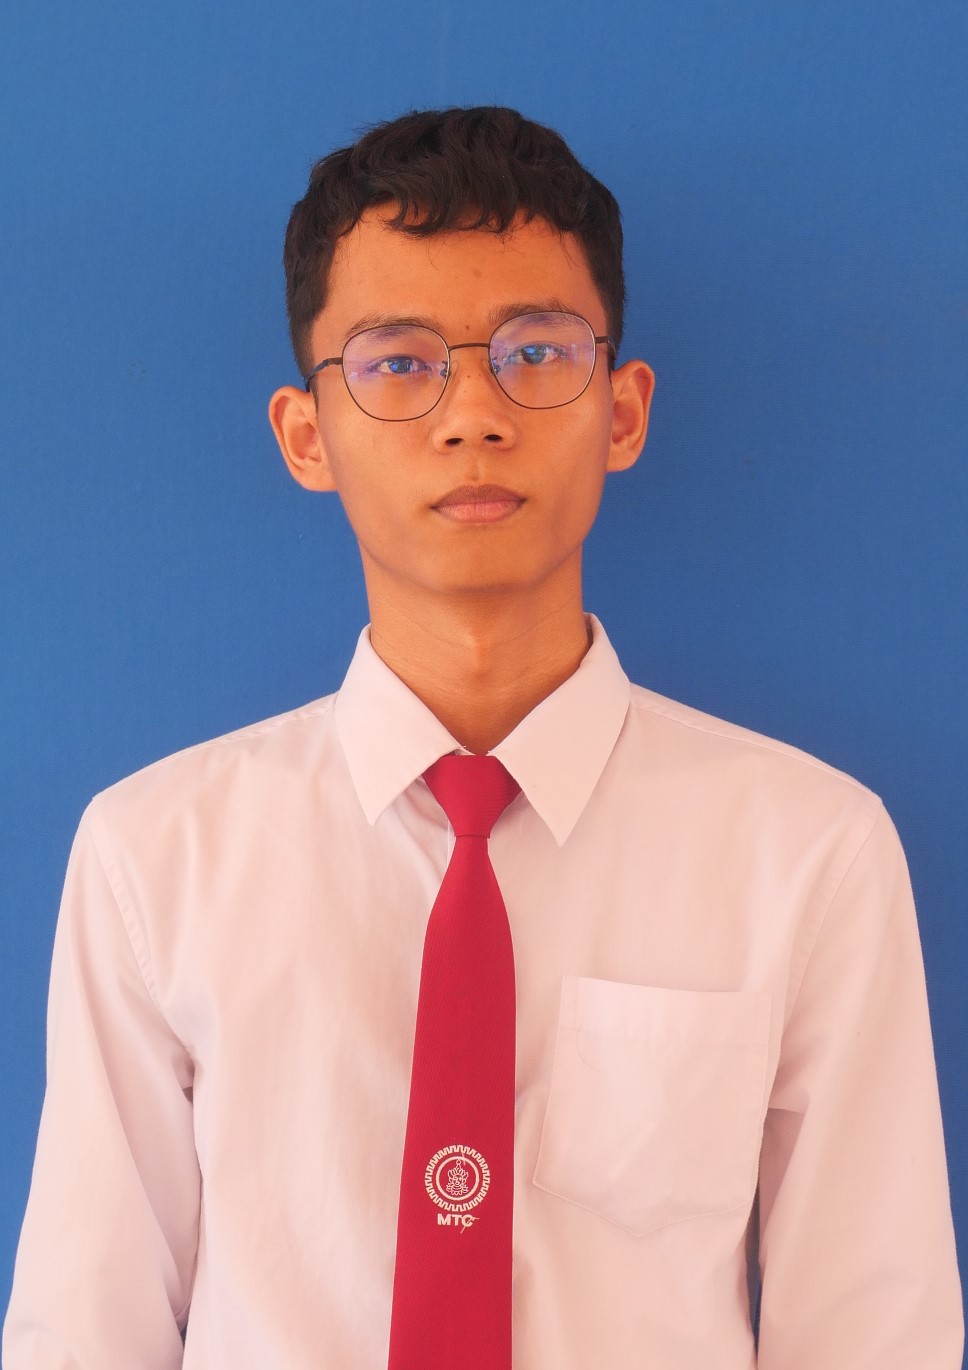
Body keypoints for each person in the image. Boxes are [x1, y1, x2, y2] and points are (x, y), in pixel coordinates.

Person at [3, 105, 963, 1369]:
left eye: (535, 352)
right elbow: (85, 1330)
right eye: (398, 362)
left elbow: (871, 1332)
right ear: (306, 435)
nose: (472, 415)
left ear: (621, 411)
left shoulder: (807, 851)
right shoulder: (155, 856)